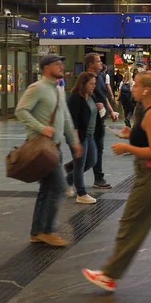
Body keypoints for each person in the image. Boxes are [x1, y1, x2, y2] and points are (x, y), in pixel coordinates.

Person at [82, 70, 151, 293]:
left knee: (131, 223)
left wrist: (126, 148)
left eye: (136, 85)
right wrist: (130, 134)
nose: (132, 88)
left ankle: (110, 275)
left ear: (147, 90)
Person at [15, 54, 82, 246]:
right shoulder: (36, 88)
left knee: (47, 189)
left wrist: (73, 141)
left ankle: (37, 231)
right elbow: (21, 110)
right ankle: (47, 230)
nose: (61, 66)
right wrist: (40, 127)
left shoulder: (59, 89)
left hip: (55, 149)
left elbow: (67, 118)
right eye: (57, 64)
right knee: (59, 187)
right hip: (42, 149)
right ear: (46, 68)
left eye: (61, 63)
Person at [85, 53, 119, 190]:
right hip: (90, 120)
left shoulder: (99, 78)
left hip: (100, 119)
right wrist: (93, 104)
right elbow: (82, 97)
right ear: (90, 64)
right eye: (98, 61)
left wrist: (110, 111)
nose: (101, 63)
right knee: (91, 151)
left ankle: (98, 177)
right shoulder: (86, 79)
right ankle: (97, 177)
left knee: (97, 149)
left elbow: (103, 97)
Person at [65, 72, 99, 204]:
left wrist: (100, 109)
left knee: (91, 160)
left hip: (89, 134)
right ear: (83, 84)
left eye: (94, 84)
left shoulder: (90, 96)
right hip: (79, 136)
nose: (93, 86)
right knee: (80, 164)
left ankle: (68, 178)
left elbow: (93, 112)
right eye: (91, 84)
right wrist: (76, 141)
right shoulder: (75, 98)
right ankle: (81, 193)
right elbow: (73, 122)